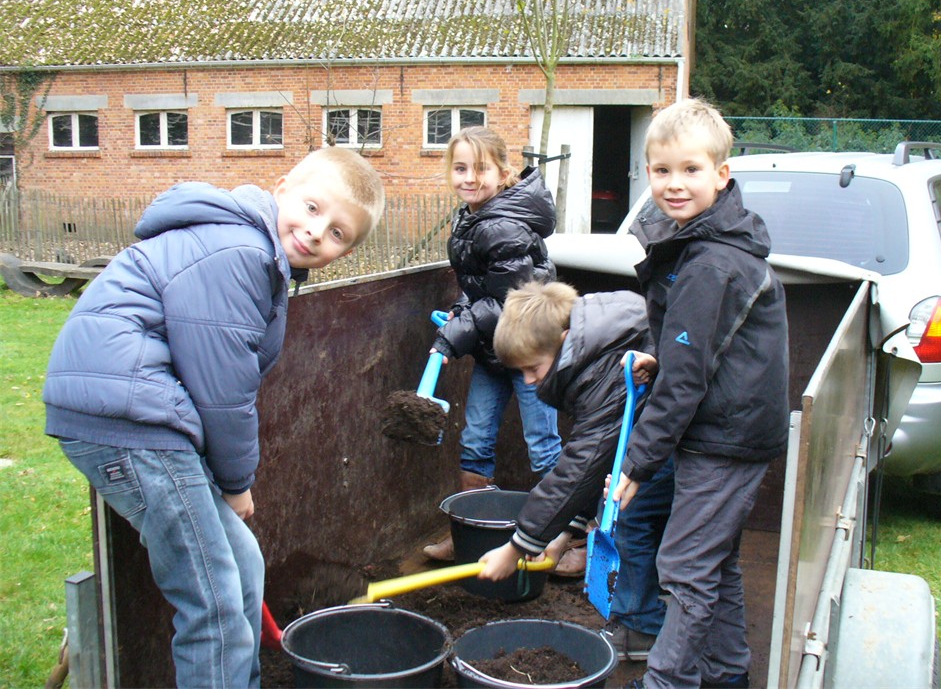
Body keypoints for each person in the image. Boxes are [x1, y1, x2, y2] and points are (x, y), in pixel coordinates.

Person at [43, 147, 385, 688]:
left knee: (241, 561)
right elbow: (223, 389)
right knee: (214, 602)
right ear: (281, 188)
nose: (319, 232)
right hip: (129, 421)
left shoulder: (254, 253)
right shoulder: (241, 253)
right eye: (313, 208)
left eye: (340, 233)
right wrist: (234, 483)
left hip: (140, 412)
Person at [612, 98, 789, 689]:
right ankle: (727, 672)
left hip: (724, 436)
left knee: (683, 567)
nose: (674, 184)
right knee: (716, 563)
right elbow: (705, 347)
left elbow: (688, 379)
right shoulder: (704, 243)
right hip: (735, 426)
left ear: (722, 174)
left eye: (691, 170)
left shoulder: (711, 262)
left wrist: (640, 459)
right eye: (661, 171)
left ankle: (666, 681)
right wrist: (661, 356)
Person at [475, 279, 673, 661]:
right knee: (626, 506)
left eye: (533, 368)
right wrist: (566, 532)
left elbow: (584, 461)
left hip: (683, 437)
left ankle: (641, 626)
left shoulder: (602, 366)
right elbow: (600, 452)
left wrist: (519, 545)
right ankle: (653, 604)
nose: (529, 381)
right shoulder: (594, 336)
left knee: (630, 514)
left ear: (564, 340)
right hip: (661, 434)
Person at [421, 126, 563, 567]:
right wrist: (462, 312)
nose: (469, 177)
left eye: (481, 169)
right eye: (460, 168)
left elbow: (511, 300)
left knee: (543, 443)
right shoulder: (474, 216)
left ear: (503, 174)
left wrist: (457, 331)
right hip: (493, 351)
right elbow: (482, 287)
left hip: (530, 351)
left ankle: (560, 538)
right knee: (476, 439)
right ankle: (471, 535)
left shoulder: (501, 223)